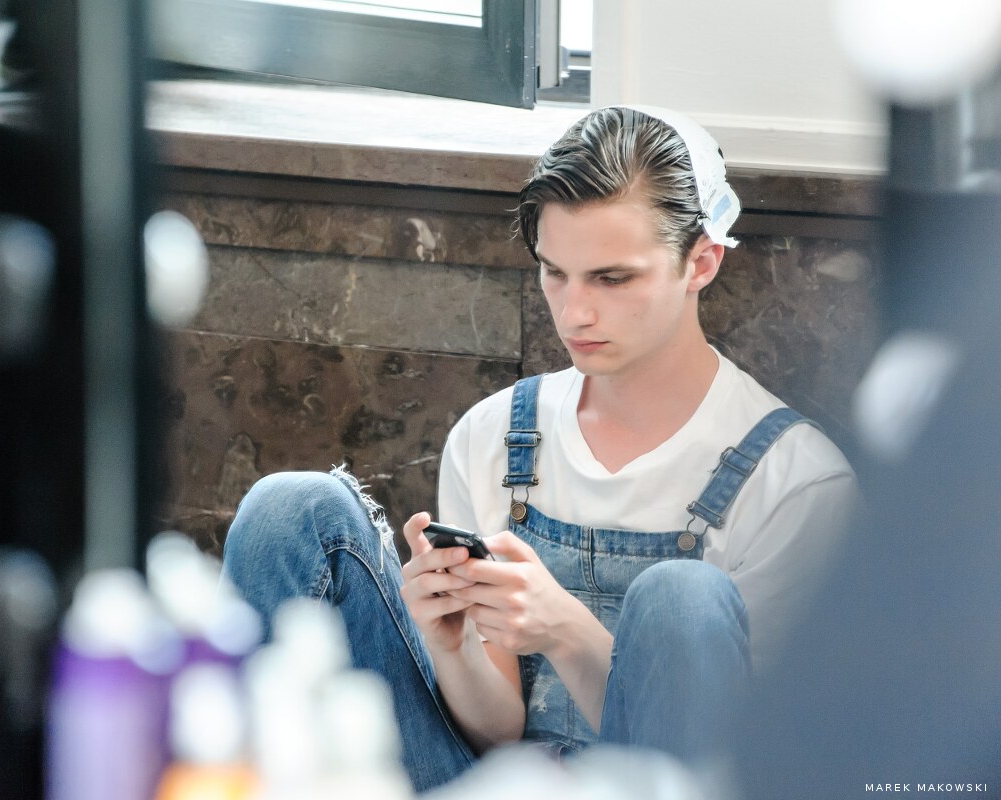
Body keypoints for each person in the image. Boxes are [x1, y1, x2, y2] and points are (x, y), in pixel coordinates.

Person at [221, 106, 858, 792]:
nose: (574, 311)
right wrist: (453, 643)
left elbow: (744, 765)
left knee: (684, 599)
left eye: (612, 278)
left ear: (701, 261)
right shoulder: (495, 433)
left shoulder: (796, 483)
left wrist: (563, 630)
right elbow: (495, 738)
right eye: (555, 272)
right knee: (290, 511)